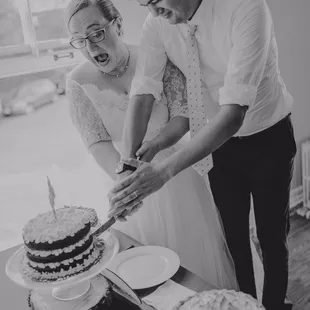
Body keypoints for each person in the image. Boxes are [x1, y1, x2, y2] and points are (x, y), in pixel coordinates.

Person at [108, 1, 296, 309]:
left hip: (268, 137)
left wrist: (162, 173)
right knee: (234, 240)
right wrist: (129, 162)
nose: (153, 12)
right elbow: (144, 90)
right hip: (216, 144)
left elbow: (234, 112)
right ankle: (245, 304)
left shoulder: (246, 7)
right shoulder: (156, 24)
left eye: (156, 1)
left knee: (272, 239)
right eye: (146, 3)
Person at [65, 0, 239, 289]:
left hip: (176, 176)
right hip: (123, 182)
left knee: (194, 267)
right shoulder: (76, 82)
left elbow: (184, 114)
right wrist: (128, 186)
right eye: (80, 40)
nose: (91, 46)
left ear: (117, 24)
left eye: (96, 33)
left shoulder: (153, 54)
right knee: (144, 276)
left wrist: (154, 146)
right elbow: (96, 143)